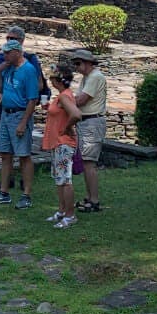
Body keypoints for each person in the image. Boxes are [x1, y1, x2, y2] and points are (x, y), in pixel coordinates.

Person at [0, 39, 41, 208]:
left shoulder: (28, 70)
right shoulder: (8, 68)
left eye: (8, 53)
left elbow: (33, 99)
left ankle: (26, 194)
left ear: (18, 52)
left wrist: (23, 123)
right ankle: (4, 192)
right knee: (5, 154)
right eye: (4, 53)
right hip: (5, 114)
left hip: (19, 115)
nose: (5, 56)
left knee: (23, 155)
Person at [68, 48, 108, 213]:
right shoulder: (87, 78)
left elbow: (82, 100)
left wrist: (64, 102)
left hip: (92, 122)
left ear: (88, 63)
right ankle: (89, 196)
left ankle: (94, 200)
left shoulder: (95, 77)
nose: (76, 67)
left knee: (89, 162)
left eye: (78, 64)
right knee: (86, 161)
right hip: (87, 122)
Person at [42, 68, 83, 229]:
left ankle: (70, 214)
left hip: (63, 143)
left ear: (57, 80)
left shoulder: (64, 96)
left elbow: (76, 114)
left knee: (65, 179)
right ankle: (62, 210)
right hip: (57, 142)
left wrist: (66, 128)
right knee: (59, 178)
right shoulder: (62, 96)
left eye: (52, 78)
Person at [0, 25, 48, 133]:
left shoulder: (30, 60)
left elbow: (39, 85)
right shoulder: (1, 58)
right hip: (4, 109)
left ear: (21, 41)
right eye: (8, 38)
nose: (9, 41)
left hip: (21, 109)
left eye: (13, 39)